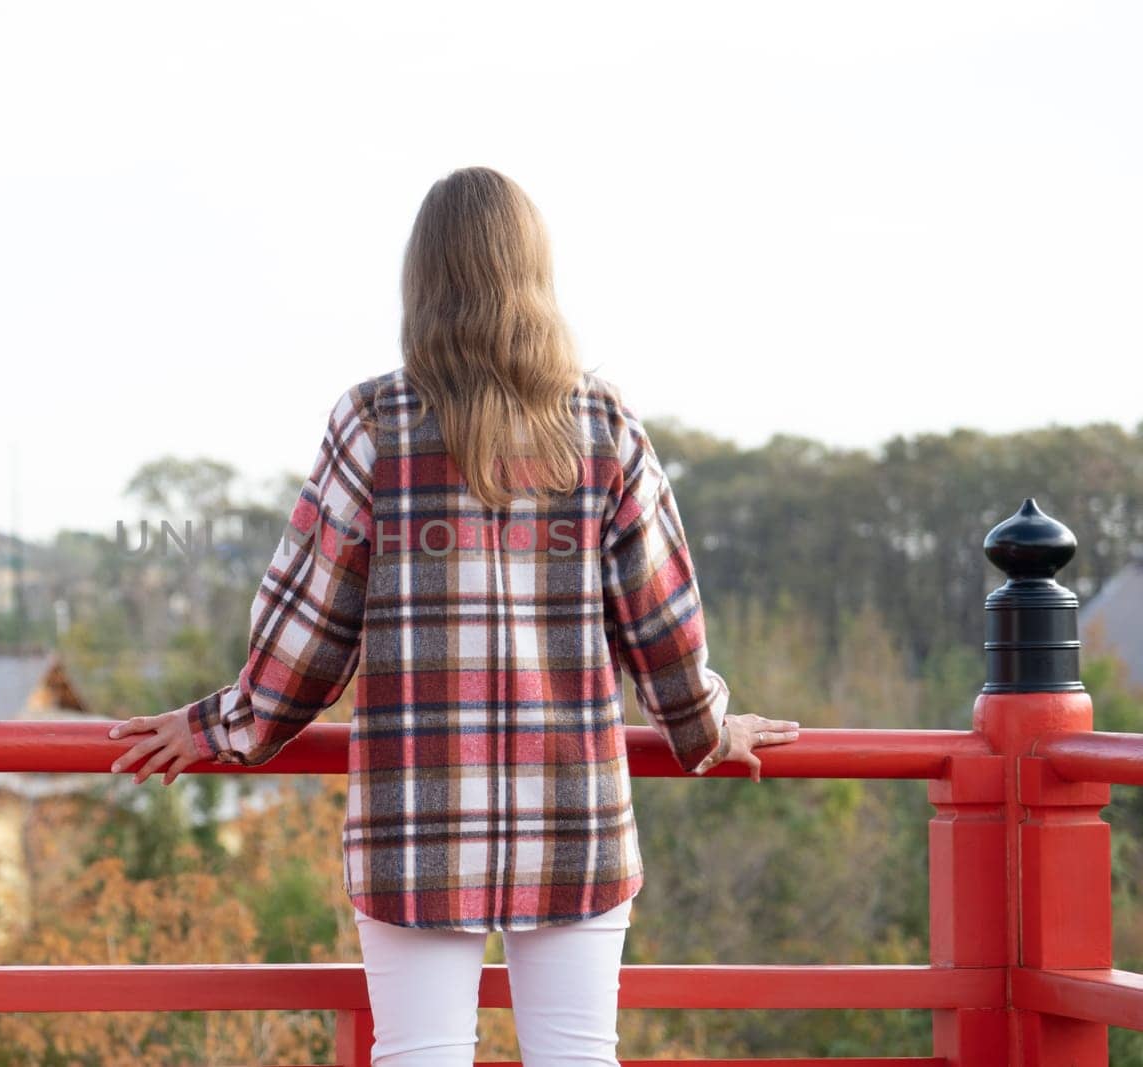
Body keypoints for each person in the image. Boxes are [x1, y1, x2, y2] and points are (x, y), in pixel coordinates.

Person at [109, 165, 802, 1065]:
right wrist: (709, 726)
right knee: (578, 1056)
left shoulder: (372, 423)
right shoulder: (603, 425)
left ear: (421, 276)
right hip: (573, 813)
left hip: (415, 817)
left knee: (419, 1054)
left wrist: (223, 724)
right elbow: (660, 627)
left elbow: (311, 630)